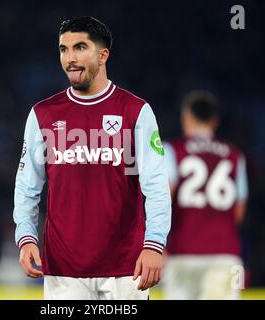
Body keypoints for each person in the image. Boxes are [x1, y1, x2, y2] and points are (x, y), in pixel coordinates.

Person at [13, 16, 171, 300]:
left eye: (79, 47)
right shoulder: (42, 114)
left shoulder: (136, 111)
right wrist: (26, 237)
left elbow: (157, 186)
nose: (70, 58)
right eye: (63, 49)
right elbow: (27, 186)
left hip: (126, 267)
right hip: (63, 269)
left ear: (102, 55)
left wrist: (154, 244)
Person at [162, 90, 249, 299]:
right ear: (215, 121)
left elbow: (163, 198)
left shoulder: (172, 150)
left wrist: (157, 244)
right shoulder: (236, 155)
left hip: (182, 254)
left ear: (187, 117)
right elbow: (239, 212)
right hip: (226, 255)